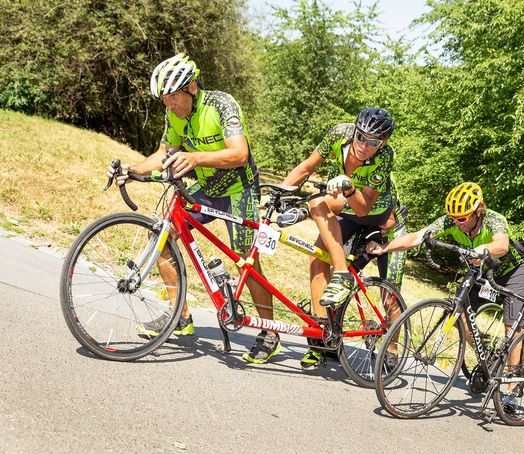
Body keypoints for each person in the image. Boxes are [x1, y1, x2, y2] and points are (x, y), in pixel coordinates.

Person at [106, 53, 278, 364]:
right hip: (206, 187)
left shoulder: (221, 104)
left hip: (240, 190)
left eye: (173, 96)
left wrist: (195, 158)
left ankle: (269, 331)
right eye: (164, 98)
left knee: (246, 264)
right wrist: (132, 170)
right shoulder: (174, 116)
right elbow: (163, 153)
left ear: (192, 87)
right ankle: (178, 318)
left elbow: (239, 153)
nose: (169, 104)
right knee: (161, 238)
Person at [367, 182, 524, 413]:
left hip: (511, 270)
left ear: (478, 211)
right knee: (459, 313)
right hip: (481, 266)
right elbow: (416, 237)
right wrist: (385, 248)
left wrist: (482, 249)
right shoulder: (451, 221)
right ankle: (485, 350)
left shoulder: (493, 219)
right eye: (453, 218)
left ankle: (513, 387)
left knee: (512, 326)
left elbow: (501, 245)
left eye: (462, 218)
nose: (456, 222)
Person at [282, 108, 396, 369]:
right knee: (318, 259)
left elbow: (365, 207)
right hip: (346, 207)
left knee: (390, 291)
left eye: (374, 142)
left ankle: (392, 350)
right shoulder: (339, 134)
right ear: (354, 130)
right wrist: (280, 193)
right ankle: (322, 338)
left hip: (377, 215)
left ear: (384, 143)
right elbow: (306, 167)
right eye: (361, 137)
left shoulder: (386, 156)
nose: (364, 146)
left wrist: (349, 186)